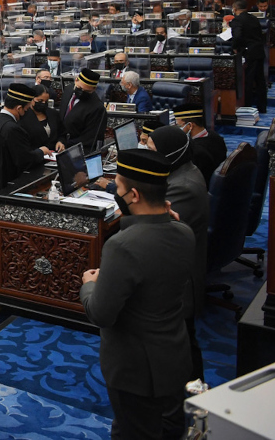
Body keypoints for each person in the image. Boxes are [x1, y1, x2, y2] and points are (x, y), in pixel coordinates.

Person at [80, 149, 195, 440]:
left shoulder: (122, 246)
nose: (115, 192)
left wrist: (89, 284)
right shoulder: (184, 231)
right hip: (174, 355)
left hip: (134, 369)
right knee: (169, 429)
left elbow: (101, 314)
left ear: (133, 195)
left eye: (117, 187)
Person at [147, 125, 209, 381]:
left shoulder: (183, 186)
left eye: (151, 149)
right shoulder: (183, 170)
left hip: (180, 281)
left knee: (182, 342)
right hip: (179, 268)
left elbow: (155, 227)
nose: (148, 154)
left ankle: (190, 393)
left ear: (168, 153)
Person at [0, 83, 51, 186]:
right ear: (19, 108)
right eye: (26, 109)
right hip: (8, 183)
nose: (26, 112)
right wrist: (41, 151)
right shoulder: (13, 129)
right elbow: (25, 160)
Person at [173, 103, 226, 189]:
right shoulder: (216, 136)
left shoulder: (196, 152)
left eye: (179, 125)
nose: (177, 128)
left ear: (190, 125)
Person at [230, 0, 267, 113]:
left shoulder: (237, 20)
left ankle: (247, 108)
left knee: (249, 81)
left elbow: (237, 36)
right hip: (259, 51)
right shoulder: (254, 18)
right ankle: (262, 107)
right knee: (260, 80)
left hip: (248, 53)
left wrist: (235, 48)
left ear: (235, 9)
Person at [60, 69, 107, 152]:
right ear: (76, 80)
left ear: (94, 89)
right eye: (79, 88)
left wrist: (65, 143)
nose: (81, 92)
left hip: (77, 150)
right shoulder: (68, 90)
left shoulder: (97, 108)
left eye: (87, 91)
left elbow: (89, 139)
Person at [20, 84, 65, 153]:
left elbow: (62, 133)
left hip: (54, 154)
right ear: (32, 99)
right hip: (34, 156)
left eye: (46, 101)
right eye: (40, 101)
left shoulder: (53, 114)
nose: (43, 103)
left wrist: (60, 142)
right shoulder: (23, 116)